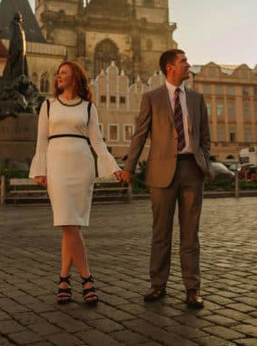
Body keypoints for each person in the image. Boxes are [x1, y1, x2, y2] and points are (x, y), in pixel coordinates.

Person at [117, 49, 211, 309]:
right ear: (170, 67)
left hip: (192, 170)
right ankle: (158, 284)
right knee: (161, 233)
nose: (188, 65)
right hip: (161, 173)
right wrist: (129, 167)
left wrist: (204, 161)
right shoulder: (151, 98)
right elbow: (139, 135)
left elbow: (204, 136)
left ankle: (193, 288)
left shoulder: (196, 98)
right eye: (184, 62)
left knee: (191, 234)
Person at [29, 61, 120, 305]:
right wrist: (40, 169)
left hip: (82, 166)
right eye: (58, 73)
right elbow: (41, 141)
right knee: (68, 224)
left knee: (72, 227)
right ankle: (87, 279)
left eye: (63, 73)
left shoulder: (89, 108)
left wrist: (114, 167)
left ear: (76, 78)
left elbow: (98, 142)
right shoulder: (48, 106)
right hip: (57, 166)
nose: (58, 77)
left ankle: (63, 279)